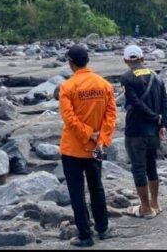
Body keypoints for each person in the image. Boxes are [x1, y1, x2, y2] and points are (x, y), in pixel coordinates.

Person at [59, 44, 118, 247]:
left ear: (71, 63)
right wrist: (100, 139)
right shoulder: (104, 85)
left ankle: (85, 236)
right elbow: (111, 116)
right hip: (96, 148)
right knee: (97, 188)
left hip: (72, 149)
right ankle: (102, 227)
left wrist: (87, 134)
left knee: (77, 193)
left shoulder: (67, 87)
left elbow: (69, 119)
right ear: (87, 61)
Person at [120, 45, 167, 219]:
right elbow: (165, 103)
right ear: (142, 58)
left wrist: (153, 117)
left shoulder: (126, 78)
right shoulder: (157, 77)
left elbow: (135, 103)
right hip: (154, 131)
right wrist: (163, 124)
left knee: (139, 169)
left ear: (126, 60)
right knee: (151, 166)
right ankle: (155, 203)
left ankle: (146, 209)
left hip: (136, 131)